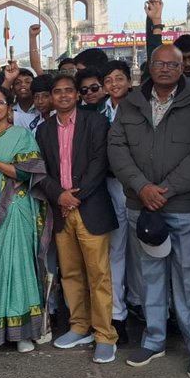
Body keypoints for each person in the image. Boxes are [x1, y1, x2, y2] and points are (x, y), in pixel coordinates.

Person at [108, 42, 190, 376]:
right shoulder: (131, 103)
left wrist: (165, 190)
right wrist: (142, 187)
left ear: (182, 67)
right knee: (151, 276)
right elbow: (117, 147)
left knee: (189, 276)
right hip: (143, 205)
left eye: (173, 65)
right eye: (160, 64)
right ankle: (154, 340)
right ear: (149, 67)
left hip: (183, 204)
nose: (166, 69)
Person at [37, 73, 119, 363]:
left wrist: (75, 196)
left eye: (68, 91)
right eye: (57, 92)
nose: (62, 96)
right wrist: (59, 195)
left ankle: (105, 335)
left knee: (98, 275)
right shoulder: (43, 130)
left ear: (77, 95)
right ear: (51, 96)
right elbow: (41, 170)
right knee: (69, 273)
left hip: (89, 207)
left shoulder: (96, 122)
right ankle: (79, 326)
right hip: (61, 210)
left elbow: (100, 162)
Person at [0, 86, 49, 352]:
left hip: (13, 208)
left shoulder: (21, 135)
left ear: (9, 106)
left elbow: (30, 172)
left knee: (17, 267)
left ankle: (23, 333)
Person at [101, 60, 138, 337]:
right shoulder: (96, 113)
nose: (114, 84)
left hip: (141, 188)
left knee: (144, 252)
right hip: (111, 186)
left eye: (119, 79)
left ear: (129, 80)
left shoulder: (143, 107)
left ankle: (147, 306)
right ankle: (117, 314)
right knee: (115, 251)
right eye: (109, 80)